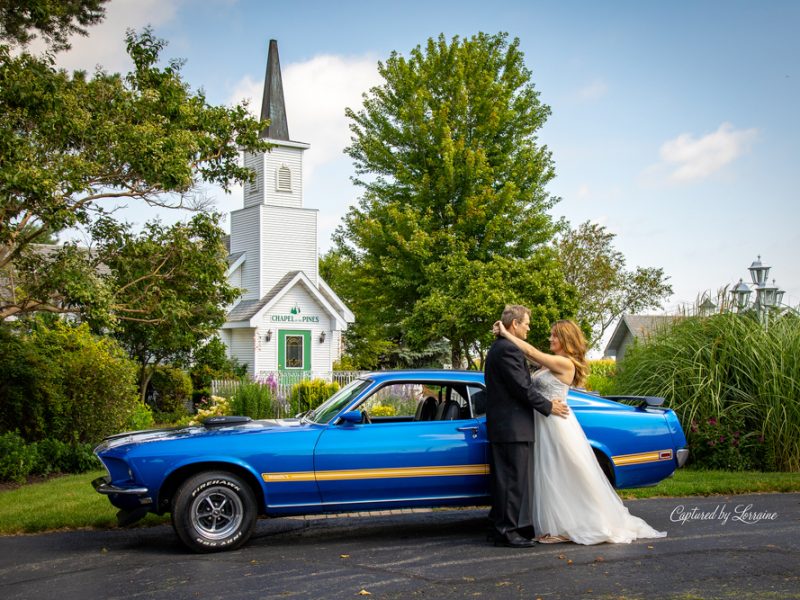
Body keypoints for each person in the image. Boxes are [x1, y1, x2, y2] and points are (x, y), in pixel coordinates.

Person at [493, 317, 667, 545]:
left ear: (566, 339)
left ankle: (574, 525)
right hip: (542, 422)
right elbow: (523, 358)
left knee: (563, 473)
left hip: (557, 424)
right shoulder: (552, 362)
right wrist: (504, 336)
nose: (550, 338)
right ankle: (555, 523)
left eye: (555, 335)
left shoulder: (565, 364)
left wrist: (507, 333)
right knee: (549, 474)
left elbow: (532, 352)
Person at [484, 304, 570, 548]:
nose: (529, 328)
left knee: (505, 481)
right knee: (512, 481)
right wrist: (548, 406)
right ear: (515, 325)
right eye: (526, 323)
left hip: (507, 426)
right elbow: (522, 388)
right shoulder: (508, 350)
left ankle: (497, 526)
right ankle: (507, 531)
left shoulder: (502, 347)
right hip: (513, 427)